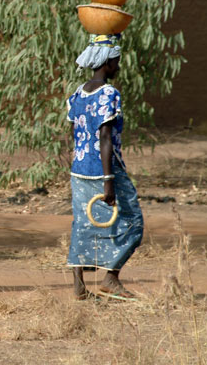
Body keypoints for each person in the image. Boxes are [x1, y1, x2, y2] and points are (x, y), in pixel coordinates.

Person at [66, 33, 143, 300]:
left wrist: (79, 160)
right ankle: (111, 278)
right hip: (104, 169)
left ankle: (78, 286)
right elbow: (105, 136)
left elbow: (73, 132)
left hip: (79, 170)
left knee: (82, 223)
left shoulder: (77, 93)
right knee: (133, 220)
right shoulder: (109, 93)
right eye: (117, 61)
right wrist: (109, 179)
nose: (119, 66)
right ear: (107, 63)